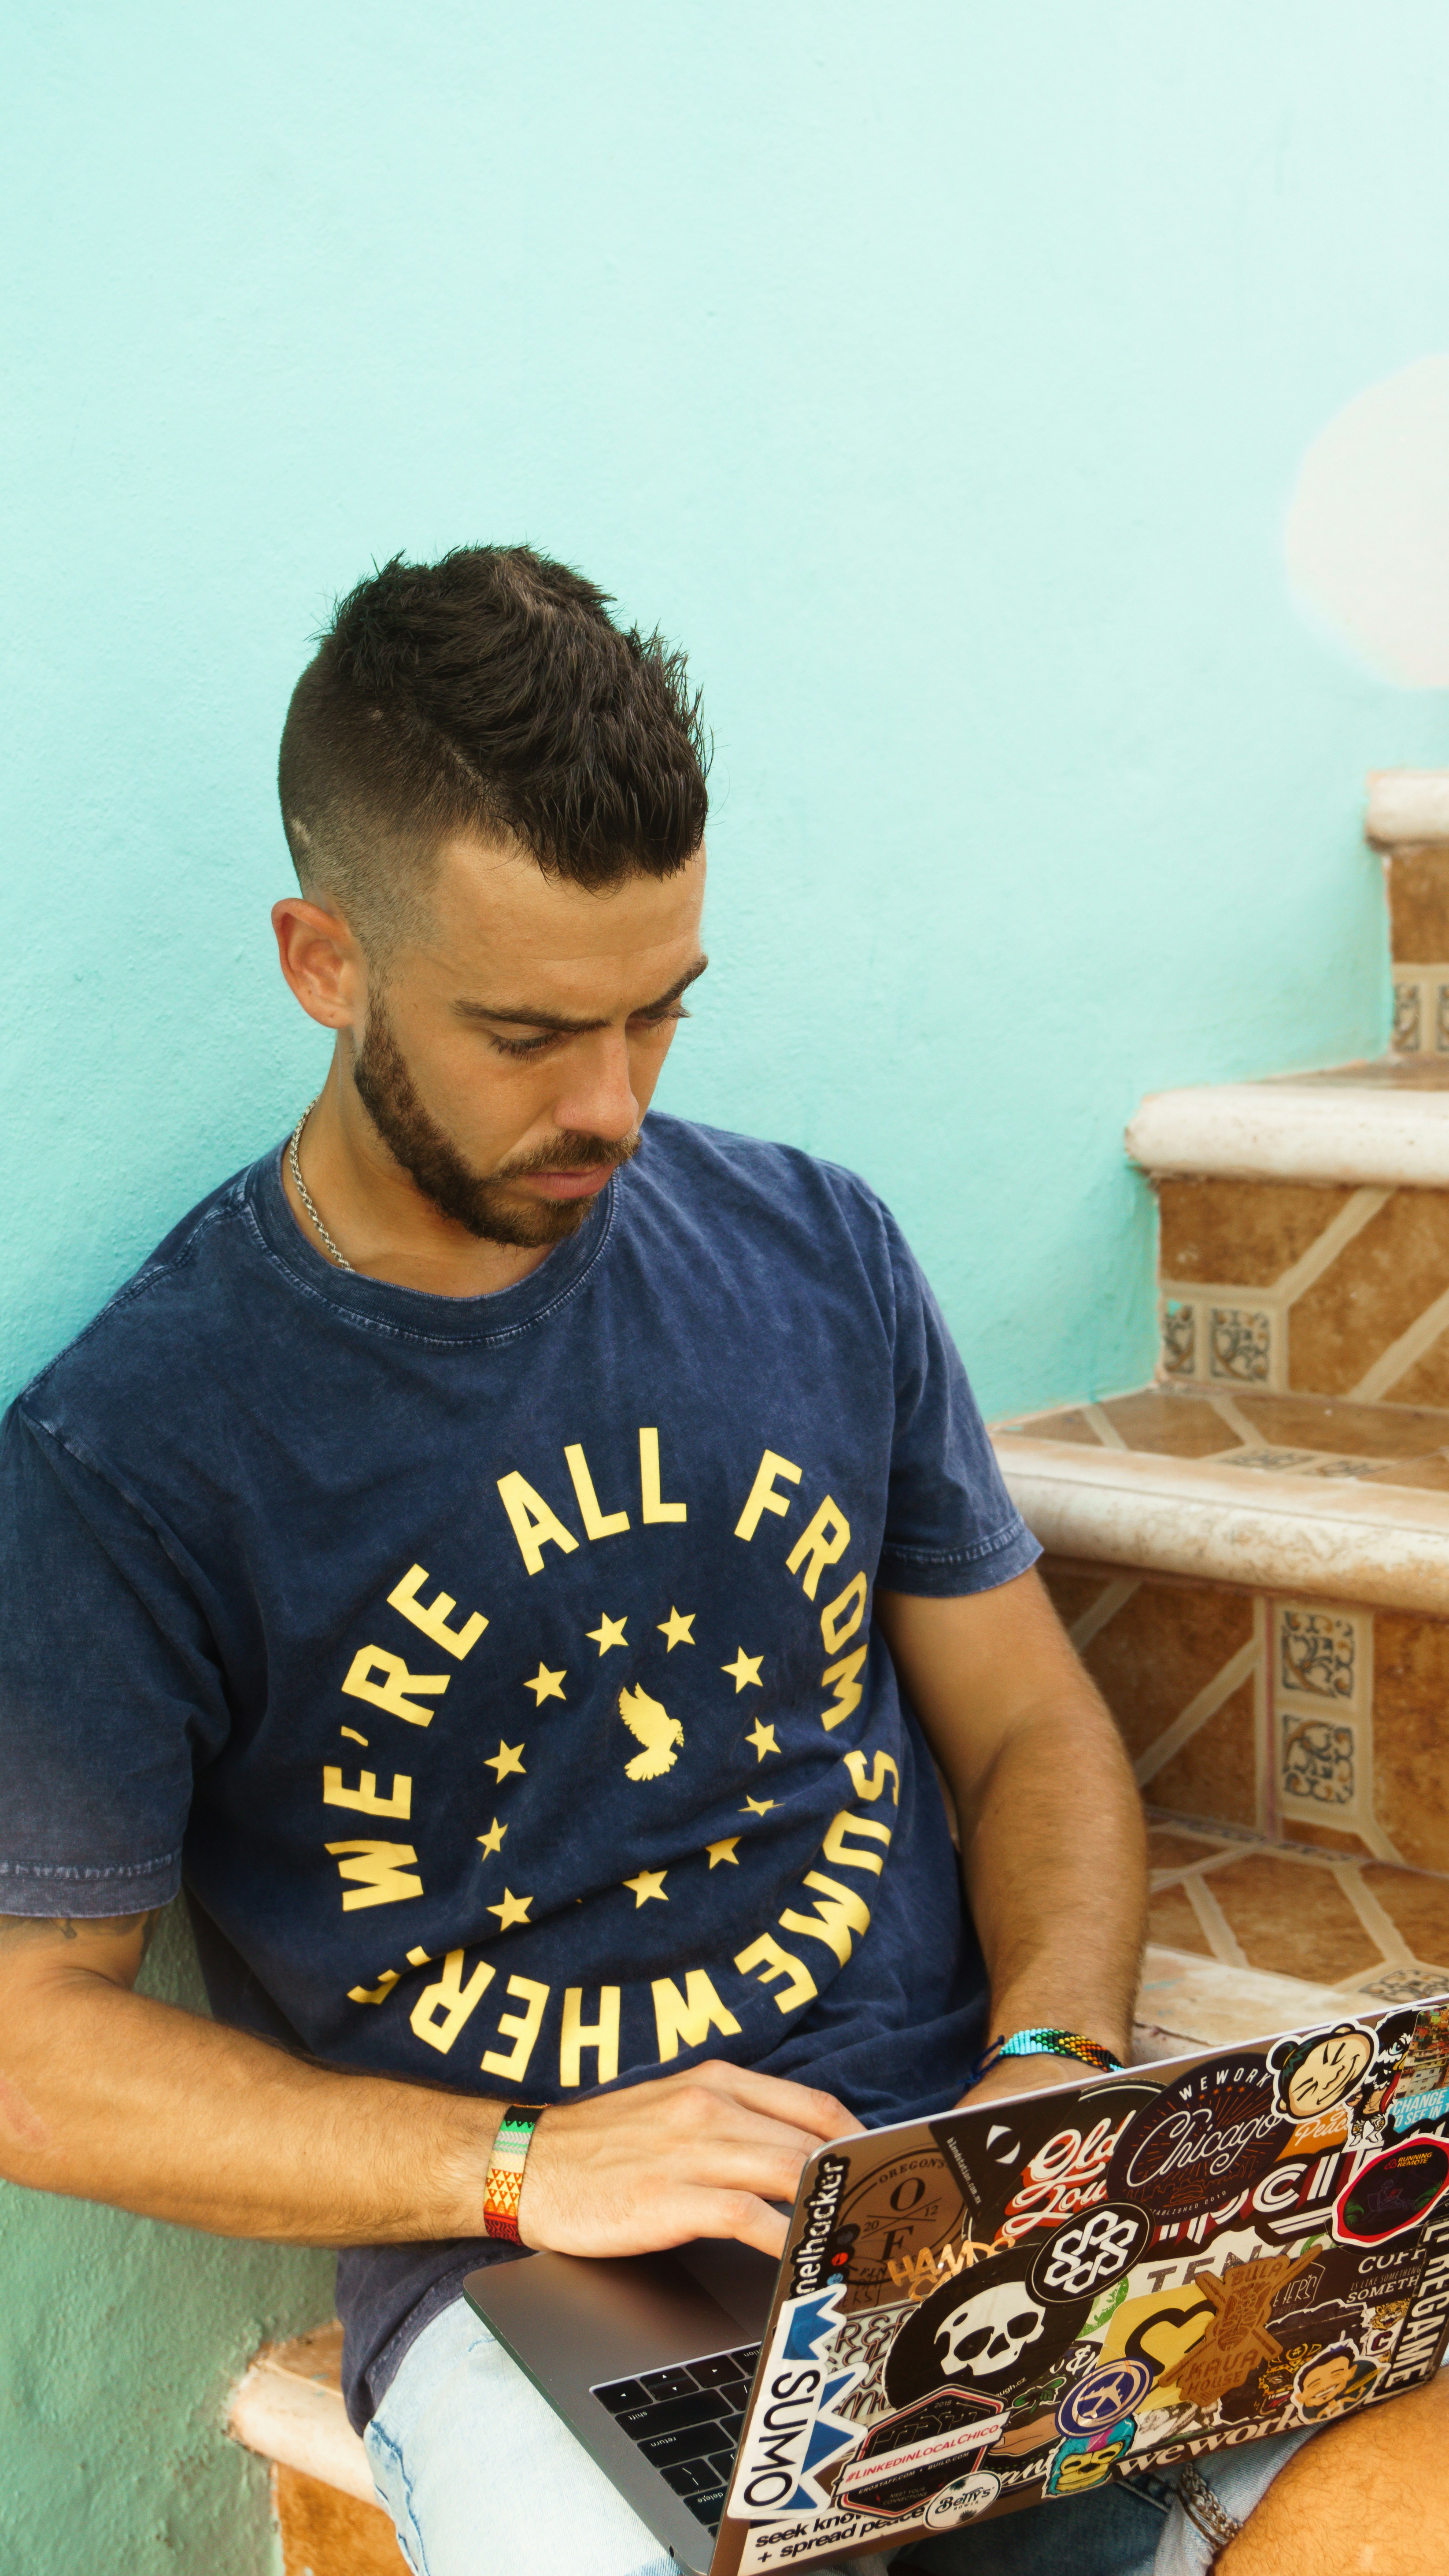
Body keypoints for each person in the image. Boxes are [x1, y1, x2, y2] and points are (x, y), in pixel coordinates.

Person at [0, 548, 1441, 2576]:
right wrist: (529, 2163)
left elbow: (1029, 1725)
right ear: (324, 960)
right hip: (533, 2266)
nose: (609, 1105)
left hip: (951, 2178)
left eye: (657, 1012)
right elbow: (32, 2049)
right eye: (527, 1032)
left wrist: (1046, 2067)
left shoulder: (812, 1249)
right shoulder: (134, 1451)